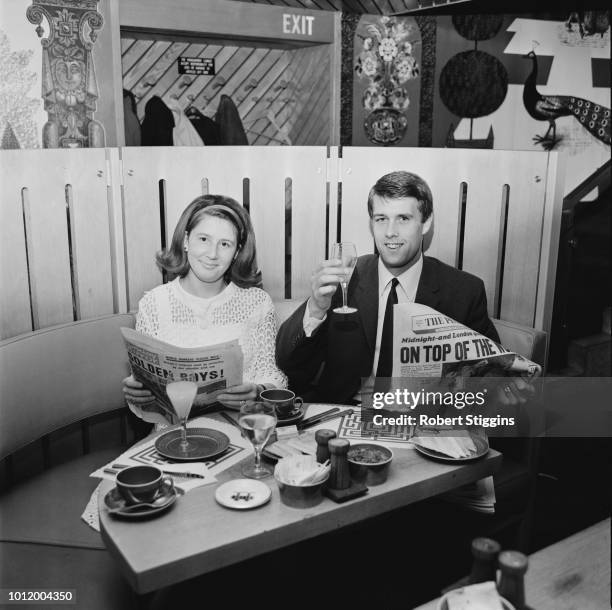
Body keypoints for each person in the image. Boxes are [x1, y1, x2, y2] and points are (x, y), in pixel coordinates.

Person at [276, 170, 531, 405]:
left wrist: (502, 385)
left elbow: (490, 368)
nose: (390, 232)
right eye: (381, 219)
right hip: (345, 416)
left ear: (426, 223)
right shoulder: (345, 278)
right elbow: (289, 364)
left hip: (424, 424)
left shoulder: (463, 291)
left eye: (403, 219)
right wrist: (316, 307)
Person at [123, 194, 287, 423]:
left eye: (225, 244)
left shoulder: (257, 303)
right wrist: (138, 393)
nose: (212, 254)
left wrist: (258, 391)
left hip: (241, 428)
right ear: (186, 240)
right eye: (203, 239)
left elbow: (272, 374)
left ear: (237, 252)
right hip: (174, 434)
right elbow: (145, 388)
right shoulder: (154, 303)